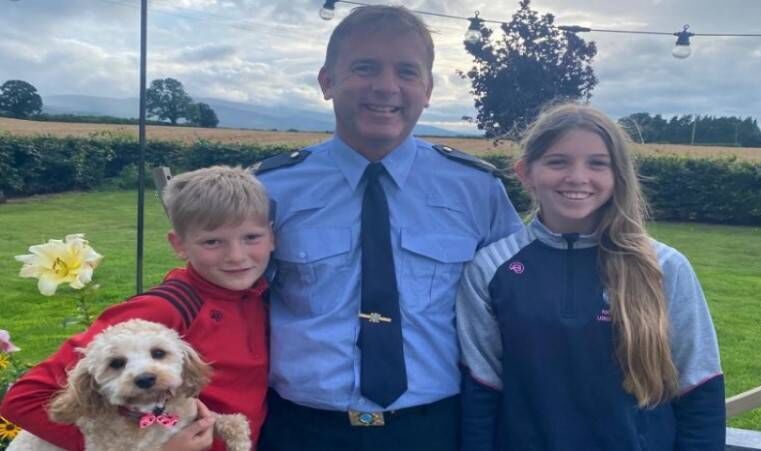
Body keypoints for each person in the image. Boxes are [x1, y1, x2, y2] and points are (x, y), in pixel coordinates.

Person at [254, 5, 522, 451]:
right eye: (364, 67)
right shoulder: (269, 189)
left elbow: (518, 307)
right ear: (327, 81)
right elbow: (225, 301)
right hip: (300, 429)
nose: (386, 86)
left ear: (429, 89)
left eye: (407, 71)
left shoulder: (477, 191)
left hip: (434, 430)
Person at [457, 103, 726, 451]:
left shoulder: (663, 266)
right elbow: (481, 389)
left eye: (597, 163)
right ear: (525, 172)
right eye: (558, 162)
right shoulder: (490, 268)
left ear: (618, 176)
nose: (577, 177)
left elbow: (699, 388)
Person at [0, 166, 275, 450]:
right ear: (179, 244)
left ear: (272, 237)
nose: (236, 256)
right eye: (212, 242)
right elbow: (24, 399)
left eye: (251, 238)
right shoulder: (161, 310)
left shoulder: (259, 296)